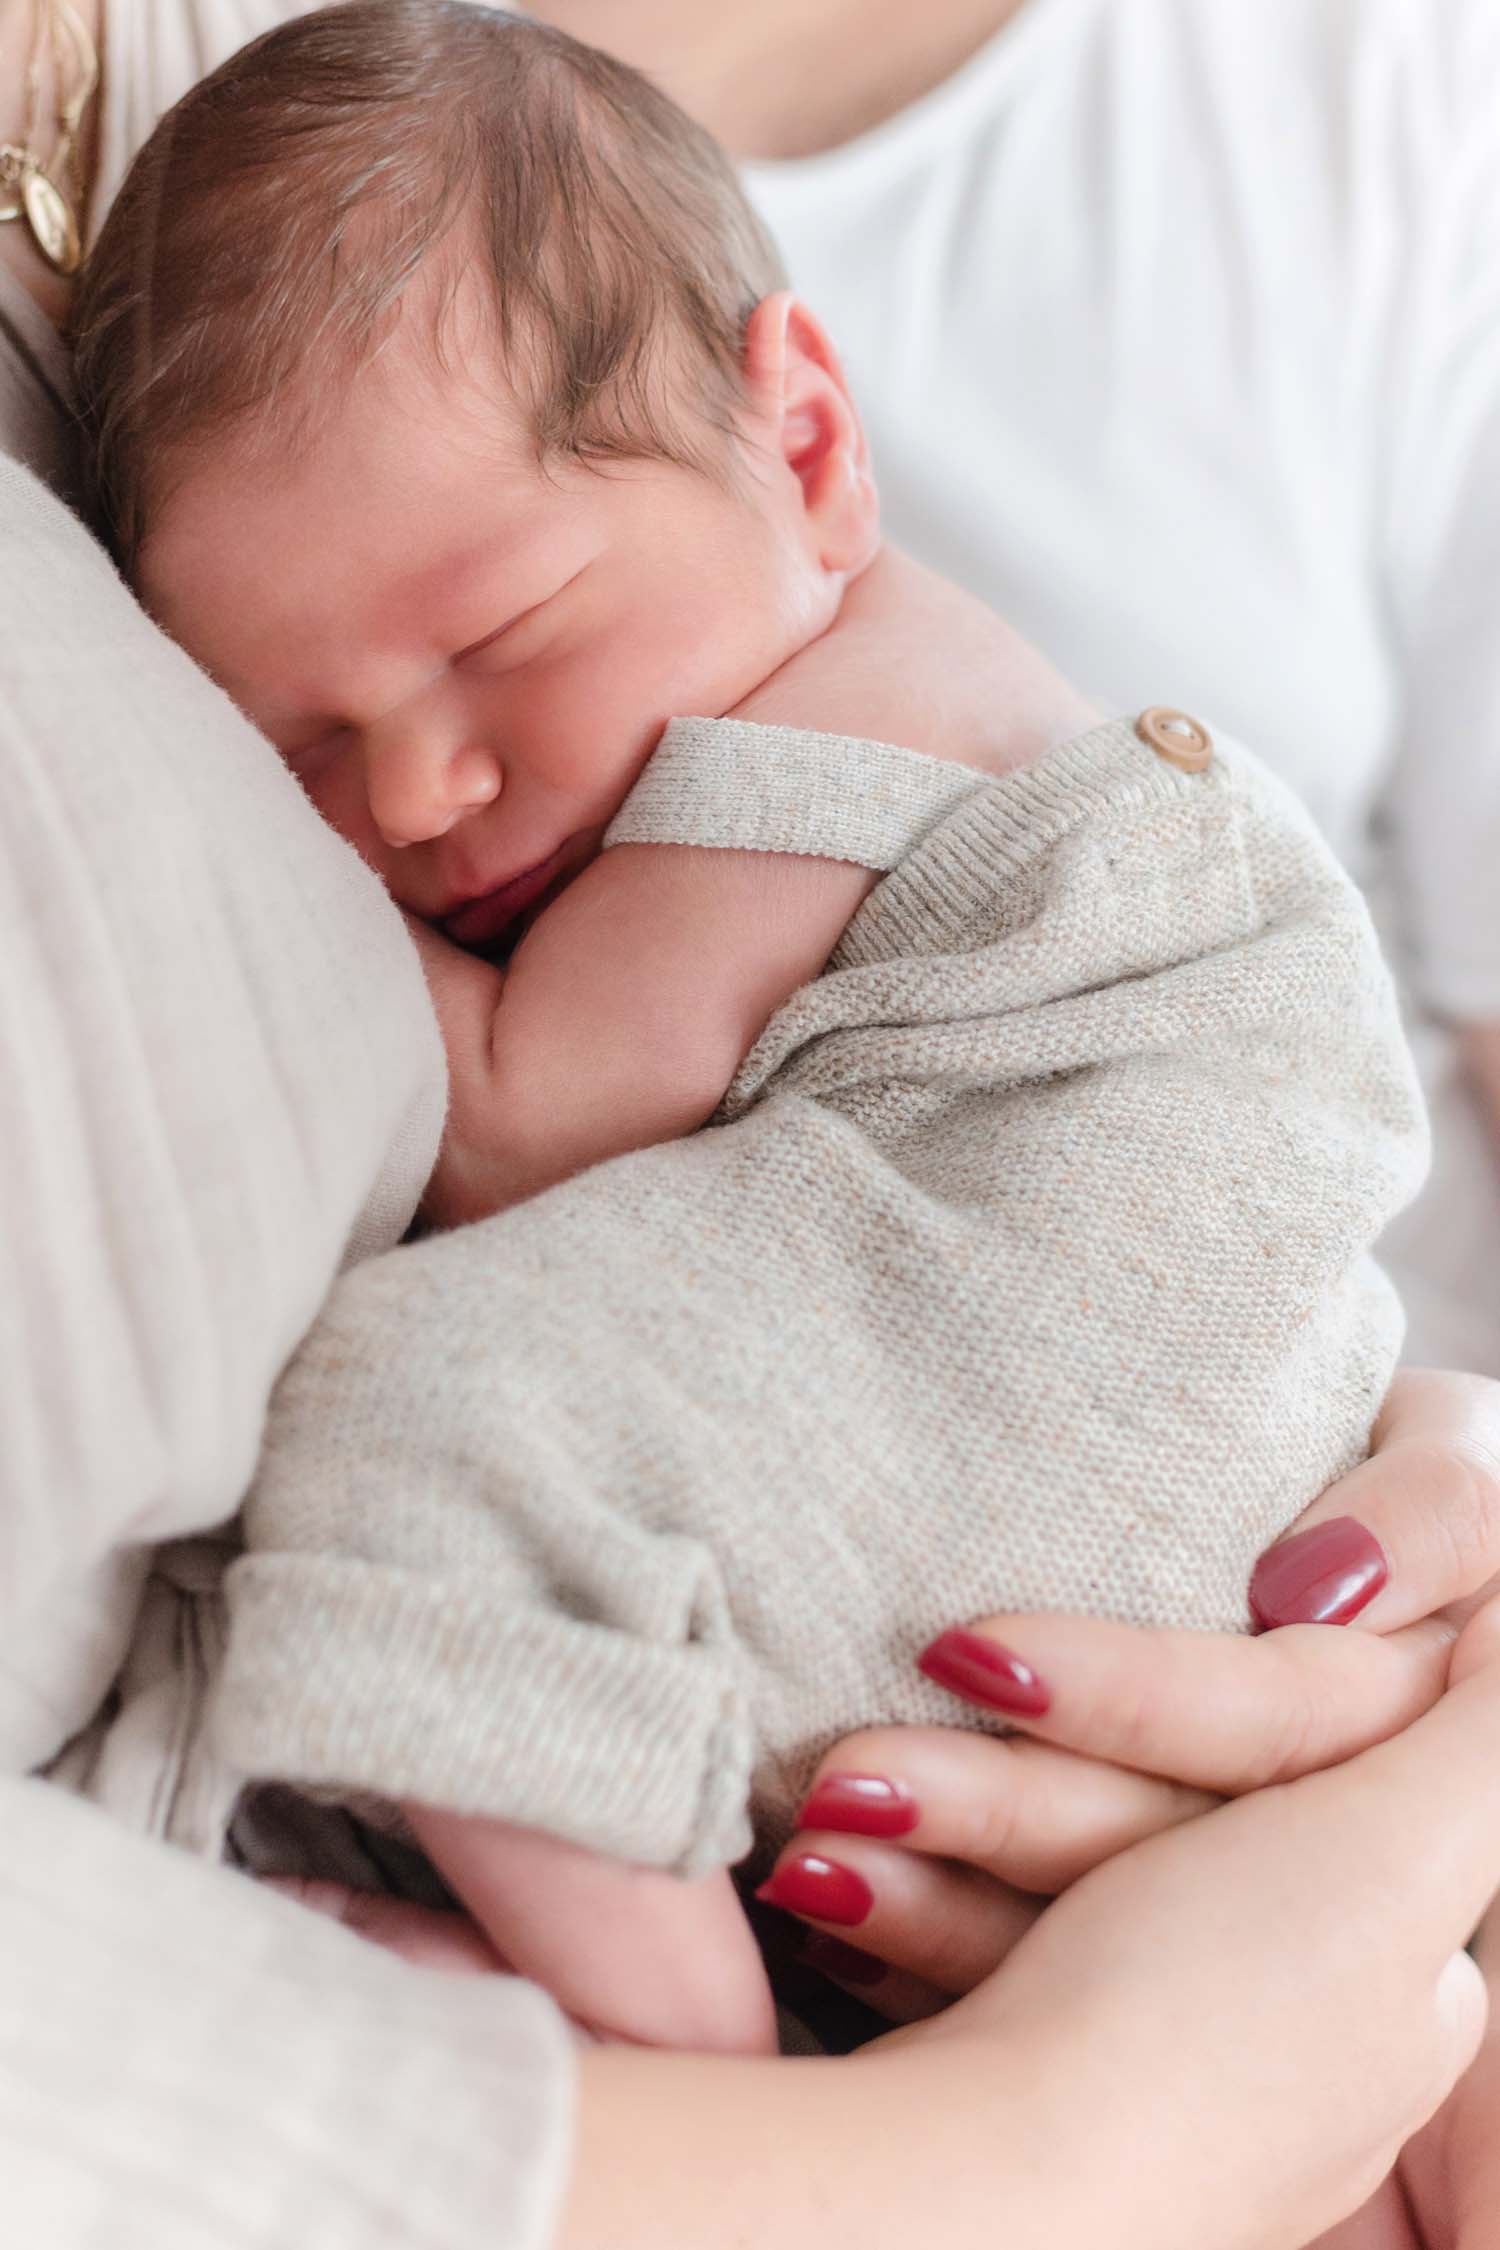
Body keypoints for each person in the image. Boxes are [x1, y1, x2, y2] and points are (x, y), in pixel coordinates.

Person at [3, 3, 1500, 2245]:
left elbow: (525, 1122)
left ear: (803, 443)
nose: (413, 793)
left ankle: (678, 2052)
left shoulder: (848, 731)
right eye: (297, 743)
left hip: (1134, 1321)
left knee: (437, 1442)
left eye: (497, 640)